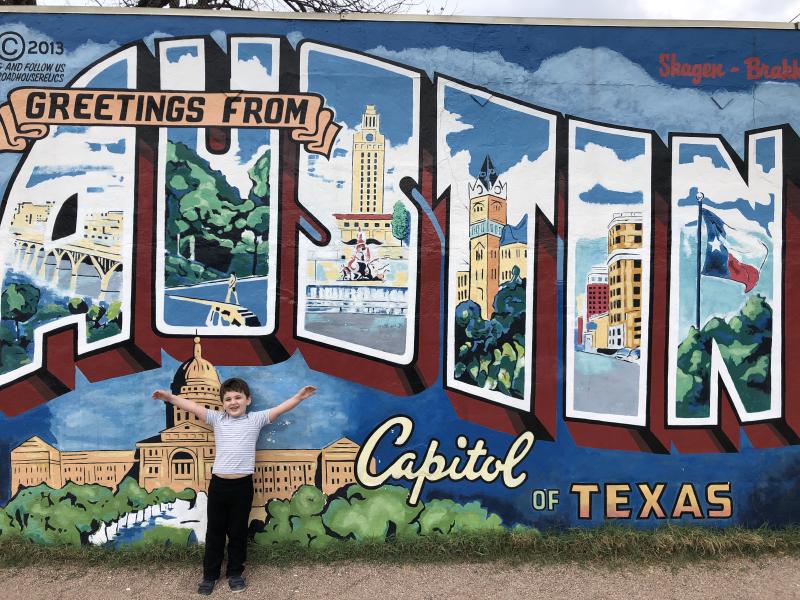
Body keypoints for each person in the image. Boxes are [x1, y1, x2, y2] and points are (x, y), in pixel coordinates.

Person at [151, 379, 316, 595]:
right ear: (222, 404)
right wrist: (169, 398)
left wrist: (299, 397)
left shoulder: (256, 419)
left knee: (238, 532)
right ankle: (210, 575)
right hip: (219, 485)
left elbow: (279, 409)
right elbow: (193, 407)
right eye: (228, 399)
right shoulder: (218, 419)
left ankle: (235, 573)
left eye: (238, 397)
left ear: (248, 400)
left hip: (242, 486)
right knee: (215, 532)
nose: (233, 402)